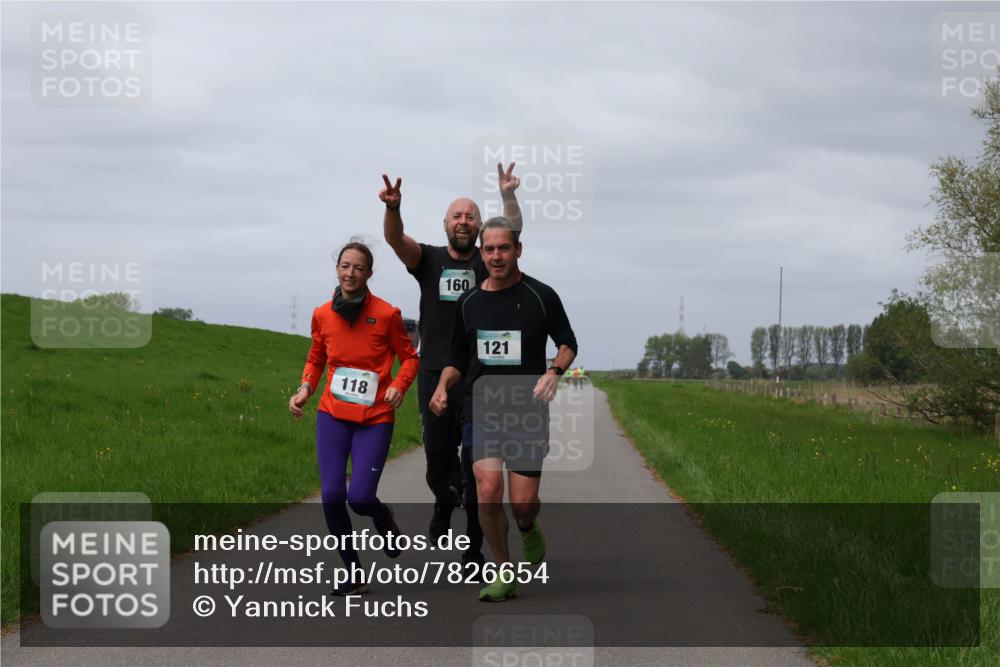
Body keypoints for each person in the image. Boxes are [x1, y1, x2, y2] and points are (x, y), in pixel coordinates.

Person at [380, 165, 523, 569]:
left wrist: (508, 196)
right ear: (445, 223)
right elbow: (394, 239)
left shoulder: (490, 260)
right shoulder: (429, 259)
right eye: (456, 215)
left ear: (479, 226)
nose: (464, 221)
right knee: (437, 462)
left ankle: (474, 548)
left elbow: (513, 230)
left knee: (476, 467)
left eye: (470, 216)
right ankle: (444, 501)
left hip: (479, 378)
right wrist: (394, 209)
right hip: (433, 375)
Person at [430, 216, 577, 601]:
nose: (497, 256)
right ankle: (502, 571)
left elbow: (567, 343)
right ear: (482, 253)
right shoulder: (469, 303)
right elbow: (456, 359)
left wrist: (554, 372)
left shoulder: (541, 296)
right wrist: (444, 386)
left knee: (523, 505)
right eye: (490, 249)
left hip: (526, 411)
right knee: (488, 489)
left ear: (518, 250)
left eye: (504, 248)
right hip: (481, 408)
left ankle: (528, 529)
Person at [289, 240, 419, 596]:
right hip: (333, 414)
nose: (350, 273)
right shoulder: (322, 314)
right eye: (345, 266)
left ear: (369, 274)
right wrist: (304, 389)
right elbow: (316, 357)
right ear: (337, 269)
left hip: (375, 416)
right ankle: (353, 571)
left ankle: (383, 519)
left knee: (360, 497)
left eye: (358, 268)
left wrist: (400, 387)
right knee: (332, 494)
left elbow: (409, 359)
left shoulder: (387, 314)